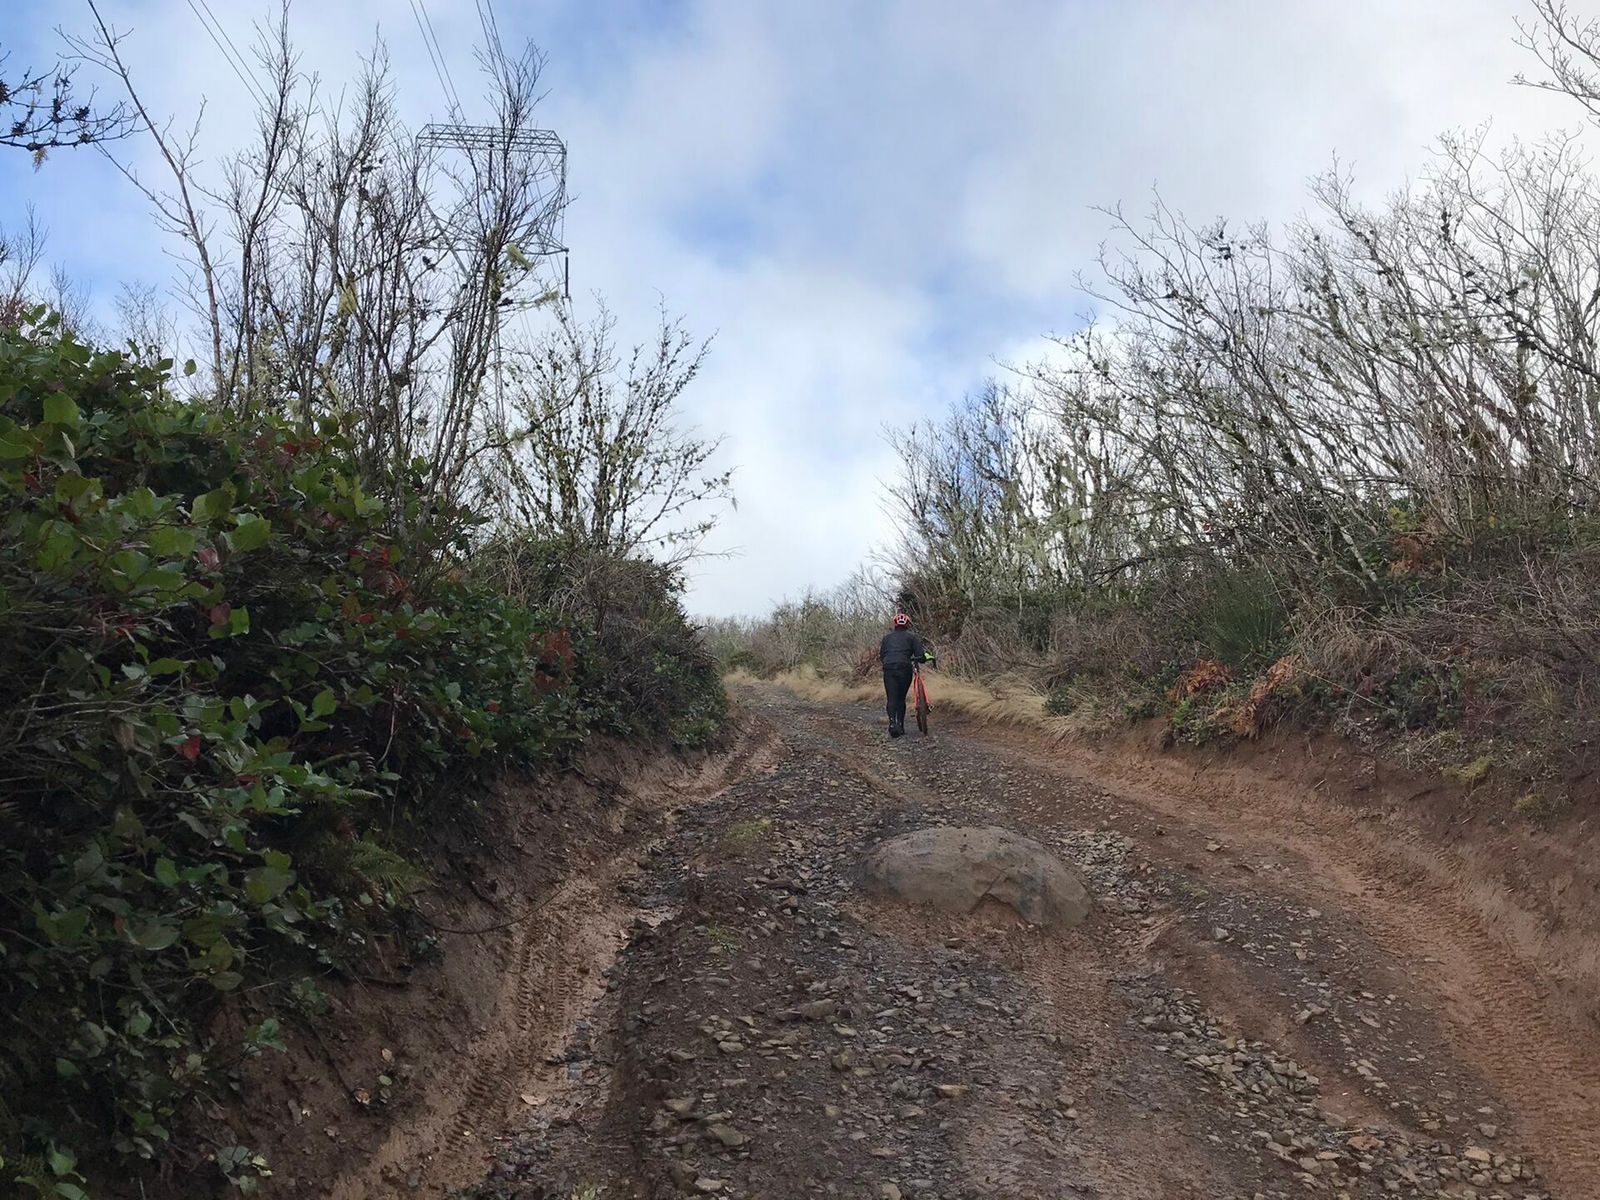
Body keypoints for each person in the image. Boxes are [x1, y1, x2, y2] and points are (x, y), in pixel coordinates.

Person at [879, 612, 934, 738]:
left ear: (895, 624)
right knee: (901, 698)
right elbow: (920, 656)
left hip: (889, 668)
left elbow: (882, 656)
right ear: (908, 624)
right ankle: (901, 725)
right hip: (904, 668)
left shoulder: (886, 638)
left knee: (891, 697)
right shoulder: (912, 637)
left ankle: (892, 723)